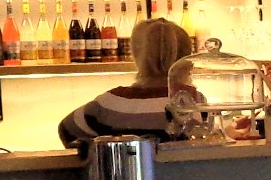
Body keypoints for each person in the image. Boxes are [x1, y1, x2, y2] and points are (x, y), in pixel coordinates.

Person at [57, 18, 192, 146]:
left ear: (136, 55)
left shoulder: (109, 103)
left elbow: (67, 131)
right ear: (188, 61)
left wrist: (93, 152)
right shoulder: (194, 103)